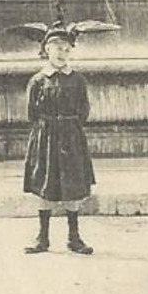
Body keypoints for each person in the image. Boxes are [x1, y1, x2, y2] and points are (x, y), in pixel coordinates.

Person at [22, 25, 96, 255]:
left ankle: (74, 238)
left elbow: (84, 110)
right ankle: (42, 238)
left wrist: (69, 126)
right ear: (46, 50)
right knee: (45, 185)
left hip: (71, 137)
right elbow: (30, 112)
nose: (62, 53)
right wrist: (49, 126)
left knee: (72, 186)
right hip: (45, 137)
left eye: (66, 49)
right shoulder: (38, 80)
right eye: (57, 49)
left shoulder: (77, 80)